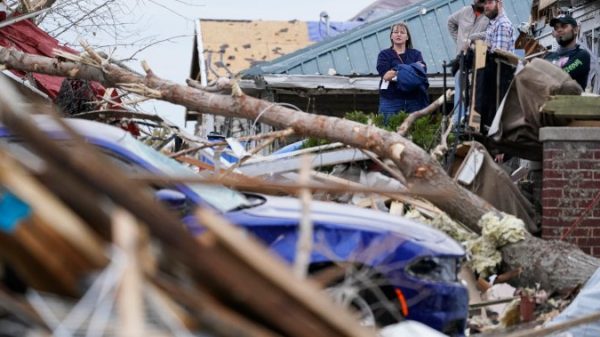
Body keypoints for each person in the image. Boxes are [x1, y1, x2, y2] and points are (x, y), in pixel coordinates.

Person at [376, 22, 429, 125]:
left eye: (402, 32)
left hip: (414, 101)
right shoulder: (384, 55)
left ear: (407, 37)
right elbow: (386, 76)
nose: (398, 34)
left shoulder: (416, 54)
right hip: (390, 100)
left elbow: (421, 73)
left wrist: (396, 70)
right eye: (395, 32)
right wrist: (412, 69)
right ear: (391, 36)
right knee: (387, 130)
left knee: (415, 131)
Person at [447, 0, 489, 125]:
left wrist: (472, 39)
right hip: (462, 59)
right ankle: (458, 123)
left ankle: (472, 123)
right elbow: (450, 22)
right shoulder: (465, 11)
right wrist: (459, 42)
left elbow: (492, 33)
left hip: (481, 61)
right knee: (460, 89)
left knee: (476, 93)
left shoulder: (491, 15)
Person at [544, 14, 591, 90]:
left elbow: (561, 76)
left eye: (564, 26)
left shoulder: (582, 55)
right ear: (553, 34)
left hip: (570, 100)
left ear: (575, 30)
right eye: (556, 28)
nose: (559, 30)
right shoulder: (548, 56)